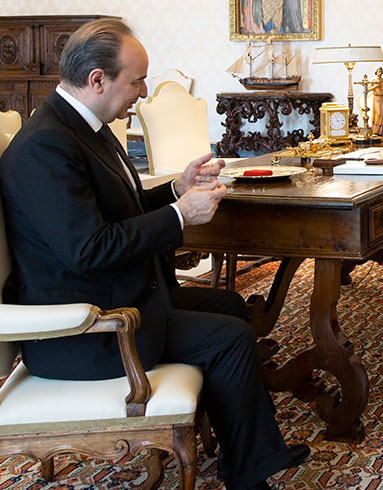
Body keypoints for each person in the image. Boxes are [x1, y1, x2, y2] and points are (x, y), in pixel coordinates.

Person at [0, 19, 307, 490]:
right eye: (136, 79)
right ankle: (248, 476)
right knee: (230, 338)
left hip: (115, 296)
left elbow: (115, 212)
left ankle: (249, 450)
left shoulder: (85, 127)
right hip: (83, 330)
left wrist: (175, 190)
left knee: (230, 307)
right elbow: (89, 248)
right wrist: (181, 216)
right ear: (97, 80)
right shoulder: (45, 145)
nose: (144, 91)